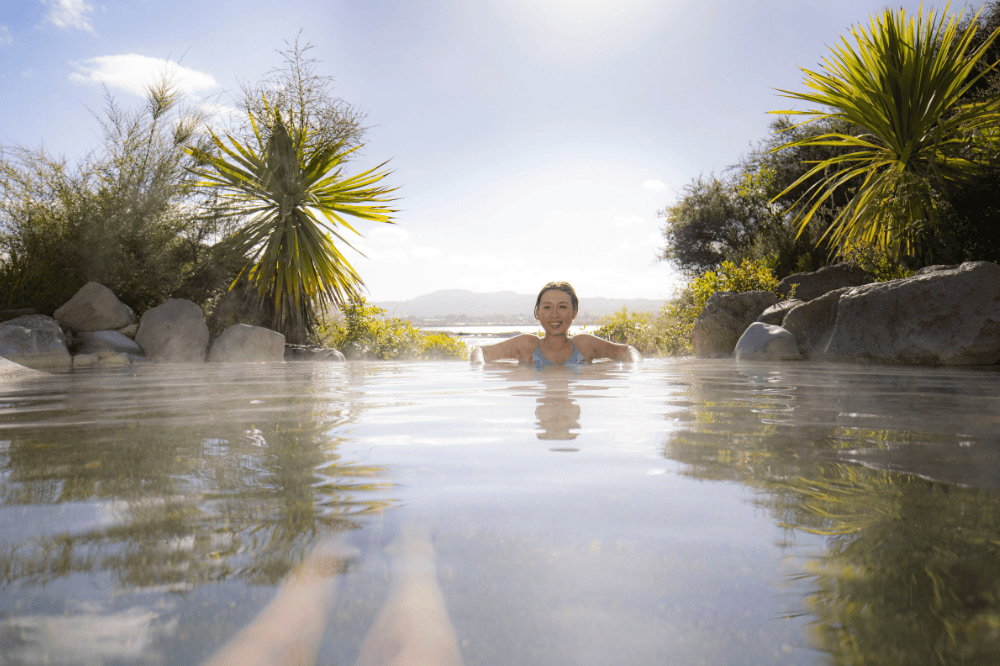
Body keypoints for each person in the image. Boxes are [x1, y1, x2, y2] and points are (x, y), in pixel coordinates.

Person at [470, 281, 638, 367]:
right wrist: (478, 368)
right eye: (547, 307)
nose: (554, 314)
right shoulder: (526, 345)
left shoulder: (584, 345)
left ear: (574, 312)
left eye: (563, 307)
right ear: (538, 312)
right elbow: (480, 351)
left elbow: (627, 351)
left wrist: (636, 369)